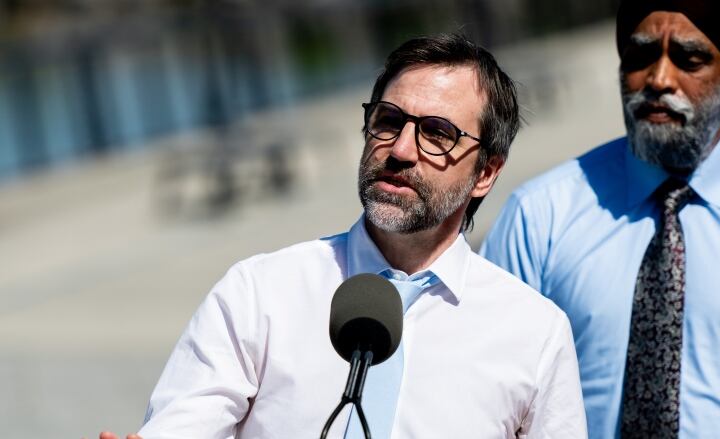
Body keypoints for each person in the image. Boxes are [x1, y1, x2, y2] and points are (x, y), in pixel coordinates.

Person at [98, 34, 587, 439]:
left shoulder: (534, 333)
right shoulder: (259, 293)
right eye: (389, 120)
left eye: (436, 133)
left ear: (486, 173)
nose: (399, 149)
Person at [481, 1, 720, 438]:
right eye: (640, 57)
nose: (659, 79)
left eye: (689, 60)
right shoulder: (540, 216)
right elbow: (485, 396)